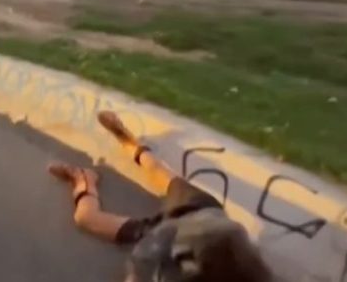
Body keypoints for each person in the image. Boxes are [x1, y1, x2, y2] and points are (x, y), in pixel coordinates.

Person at [48, 111, 274, 282]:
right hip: (196, 213)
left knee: (86, 219)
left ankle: (82, 178)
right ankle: (130, 142)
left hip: (168, 242)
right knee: (156, 170)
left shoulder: (156, 261)